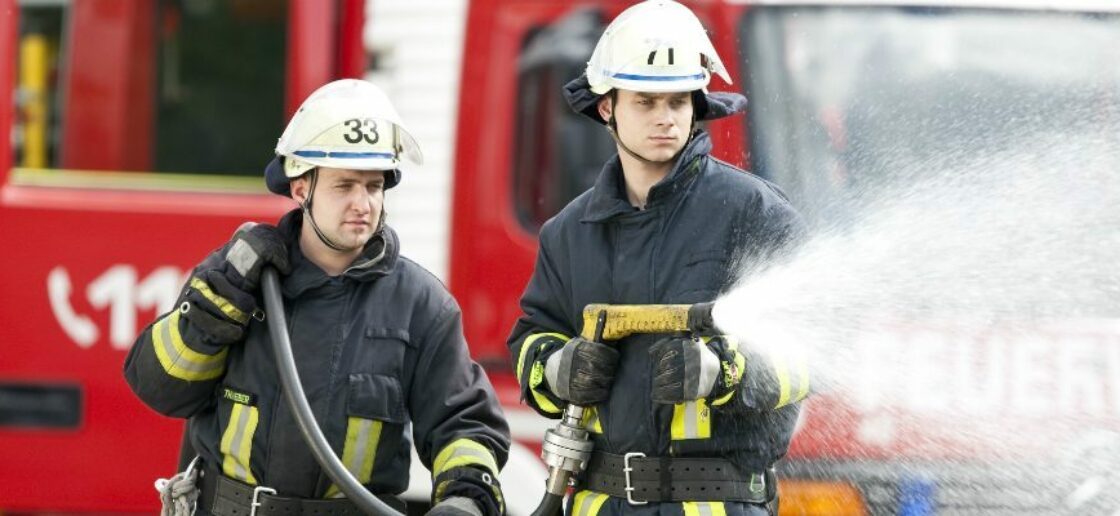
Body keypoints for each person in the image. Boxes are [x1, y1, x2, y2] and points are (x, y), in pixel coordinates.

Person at [125, 79, 509, 516]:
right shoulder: (236, 281)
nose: (363, 204)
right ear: (301, 189)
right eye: (344, 186)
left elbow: (463, 425)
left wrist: (465, 500)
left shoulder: (421, 306)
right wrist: (214, 310)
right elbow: (161, 391)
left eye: (374, 186)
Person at [507, 1, 811, 515]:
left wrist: (723, 372)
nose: (664, 119)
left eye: (677, 102)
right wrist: (559, 368)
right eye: (645, 102)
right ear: (607, 107)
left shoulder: (753, 213)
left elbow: (814, 352)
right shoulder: (568, 233)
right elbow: (532, 337)